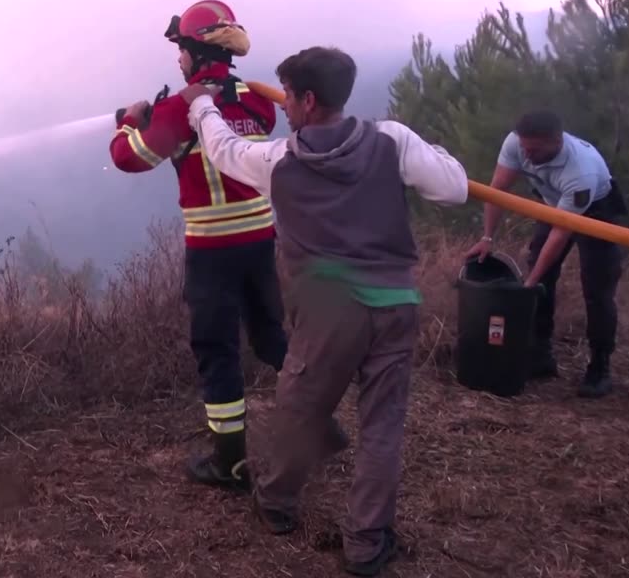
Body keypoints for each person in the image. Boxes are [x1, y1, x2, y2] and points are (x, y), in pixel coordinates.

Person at [181, 45, 468, 576]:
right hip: (396, 305)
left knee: (299, 409)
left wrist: (200, 105)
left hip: (328, 309)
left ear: (309, 100)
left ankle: (274, 504)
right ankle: (365, 544)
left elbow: (222, 150)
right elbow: (453, 188)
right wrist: (430, 150)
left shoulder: (280, 160)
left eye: (288, 95)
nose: (283, 105)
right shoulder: (392, 140)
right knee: (383, 428)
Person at [110, 0, 345, 491]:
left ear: (196, 50)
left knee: (217, 352)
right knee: (272, 338)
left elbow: (128, 159)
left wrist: (131, 121)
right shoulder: (256, 100)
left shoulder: (181, 108)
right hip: (260, 240)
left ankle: (231, 463)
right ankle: (321, 425)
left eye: (180, 50)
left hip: (212, 249)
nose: (177, 60)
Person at [463, 110, 627, 398]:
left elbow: (560, 234)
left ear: (556, 142)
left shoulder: (580, 172)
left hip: (597, 210)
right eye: (524, 148)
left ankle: (600, 366)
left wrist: (529, 284)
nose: (526, 155)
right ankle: (540, 354)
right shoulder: (517, 142)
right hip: (554, 204)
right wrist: (487, 238)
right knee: (541, 276)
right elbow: (497, 189)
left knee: (597, 289)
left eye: (534, 150)